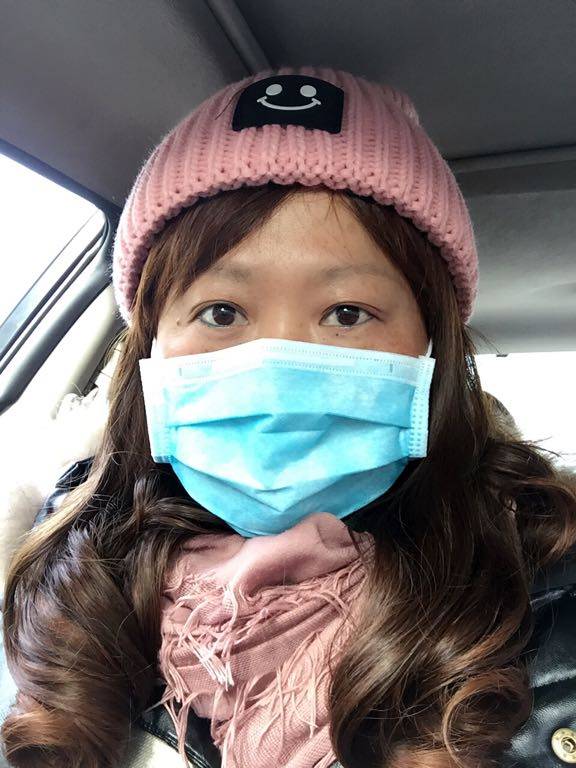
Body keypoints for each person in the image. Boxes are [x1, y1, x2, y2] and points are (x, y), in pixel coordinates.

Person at [2, 66, 576, 768]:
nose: (277, 364)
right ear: (150, 345)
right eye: (221, 312)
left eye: (347, 313)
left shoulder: (539, 591)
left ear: (435, 349)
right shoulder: (69, 571)